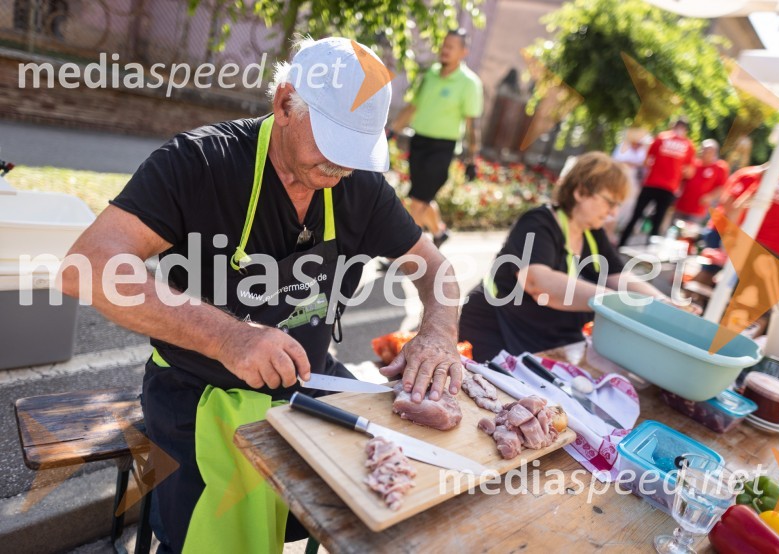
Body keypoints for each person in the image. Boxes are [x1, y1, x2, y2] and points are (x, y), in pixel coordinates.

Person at [59, 37, 463, 553]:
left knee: (403, 491)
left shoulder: (358, 186)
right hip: (198, 390)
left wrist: (436, 332)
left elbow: (437, 270)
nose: (340, 170)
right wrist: (228, 337)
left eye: (355, 152)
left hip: (309, 384)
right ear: (285, 103)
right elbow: (87, 266)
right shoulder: (200, 162)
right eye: (332, 147)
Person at [458, 152, 680, 361]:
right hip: (496, 328)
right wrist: (617, 301)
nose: (614, 213)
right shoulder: (537, 223)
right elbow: (538, 282)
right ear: (581, 192)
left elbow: (618, 276)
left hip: (540, 335)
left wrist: (661, 304)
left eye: (617, 205)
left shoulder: (592, 234)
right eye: (610, 202)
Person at [390, 28, 484, 248]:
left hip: (442, 148)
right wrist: (393, 130)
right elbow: (413, 106)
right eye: (444, 45)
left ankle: (399, 253)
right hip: (419, 142)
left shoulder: (470, 83)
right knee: (421, 197)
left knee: (418, 201)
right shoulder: (431, 73)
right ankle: (439, 232)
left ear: (464, 52)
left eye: (451, 47)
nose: (445, 50)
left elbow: (472, 125)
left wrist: (472, 157)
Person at [618, 118, 696, 246]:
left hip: (651, 183)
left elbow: (646, 161)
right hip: (669, 188)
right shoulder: (689, 146)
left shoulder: (661, 138)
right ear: (686, 130)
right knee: (657, 222)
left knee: (635, 216)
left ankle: (621, 244)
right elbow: (689, 172)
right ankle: (648, 253)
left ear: (673, 125)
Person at [673, 139, 729, 225]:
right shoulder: (693, 163)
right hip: (681, 205)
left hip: (698, 209)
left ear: (715, 153)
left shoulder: (719, 168)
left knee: (687, 235)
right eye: (704, 150)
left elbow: (721, 187)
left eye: (709, 151)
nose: (706, 153)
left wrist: (710, 197)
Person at [610, 127, 650, 236]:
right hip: (621, 181)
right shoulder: (623, 147)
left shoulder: (644, 151)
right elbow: (616, 161)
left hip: (635, 184)